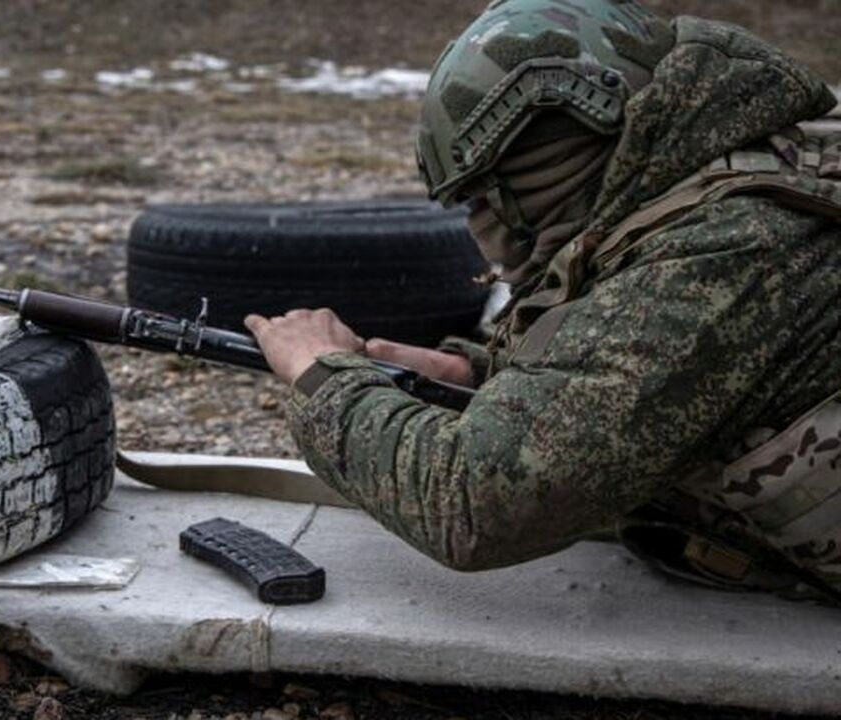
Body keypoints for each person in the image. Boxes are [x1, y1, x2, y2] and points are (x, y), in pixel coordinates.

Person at [245, 0, 841, 600]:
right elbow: (654, 371)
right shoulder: (726, 171)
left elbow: (475, 507)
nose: (483, 227)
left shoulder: (729, 246)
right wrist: (480, 377)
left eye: (490, 197)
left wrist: (322, 378)